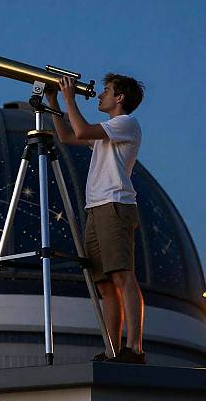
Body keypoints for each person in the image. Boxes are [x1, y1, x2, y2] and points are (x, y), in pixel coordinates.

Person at [46, 73, 146, 364]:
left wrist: (68, 98)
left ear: (120, 98)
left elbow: (79, 131)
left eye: (106, 91)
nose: (100, 95)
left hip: (115, 205)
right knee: (104, 283)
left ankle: (135, 349)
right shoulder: (108, 130)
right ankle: (113, 350)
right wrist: (54, 102)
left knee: (122, 276)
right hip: (97, 208)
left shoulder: (125, 123)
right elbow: (66, 135)